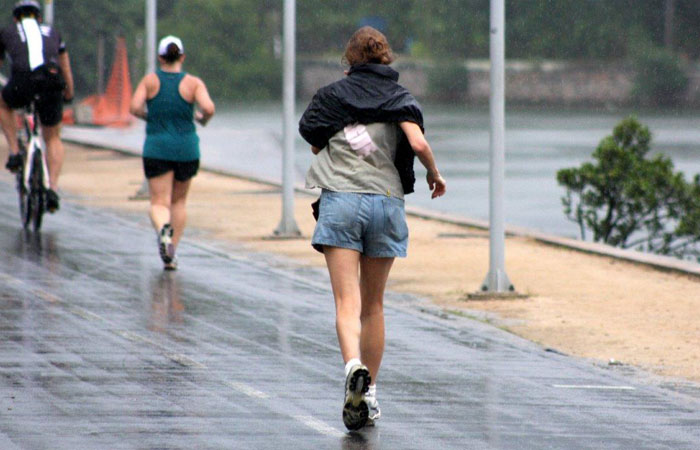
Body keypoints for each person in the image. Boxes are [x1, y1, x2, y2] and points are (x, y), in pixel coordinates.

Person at [299, 26, 446, 431]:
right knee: (374, 305)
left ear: (350, 60)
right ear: (386, 59)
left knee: (347, 305)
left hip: (341, 201)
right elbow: (417, 145)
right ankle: (371, 391)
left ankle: (352, 369)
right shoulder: (401, 99)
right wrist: (434, 174)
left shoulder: (332, 95)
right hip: (386, 202)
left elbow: (313, 139)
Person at [130, 35, 214, 270]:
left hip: (157, 148)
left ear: (160, 57)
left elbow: (134, 107)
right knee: (179, 202)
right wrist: (202, 119)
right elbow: (208, 107)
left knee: (159, 202)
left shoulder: (150, 81)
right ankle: (171, 253)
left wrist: (149, 116)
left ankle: (163, 231)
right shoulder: (193, 83)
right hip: (186, 150)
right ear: (182, 57)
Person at [0, 0, 74, 212]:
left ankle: (14, 152)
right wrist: (69, 90)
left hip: (22, 81)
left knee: (3, 104)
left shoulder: (7, 31)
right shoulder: (53, 32)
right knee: (52, 137)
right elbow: (65, 64)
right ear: (39, 17)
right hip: (52, 80)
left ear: (16, 18)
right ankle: (52, 188)